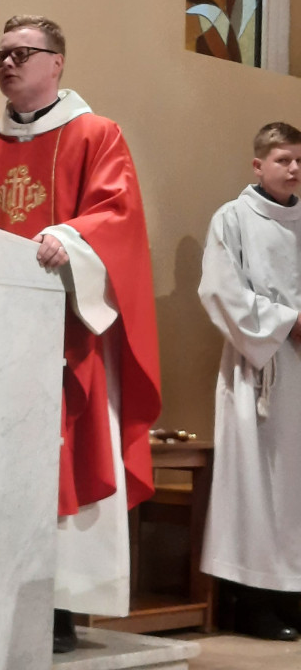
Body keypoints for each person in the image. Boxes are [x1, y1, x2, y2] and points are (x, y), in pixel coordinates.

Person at [0, 15, 161, 652]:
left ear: (57, 63)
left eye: (22, 54)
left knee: (65, 459)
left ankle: (58, 604)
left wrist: (71, 238)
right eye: (1, 54)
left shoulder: (96, 134)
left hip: (67, 340)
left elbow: (118, 215)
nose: (7, 64)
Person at [199, 122, 301, 641]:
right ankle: (252, 603)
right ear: (258, 165)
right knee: (259, 485)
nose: (294, 169)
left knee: (295, 488)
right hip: (259, 370)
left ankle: (292, 597)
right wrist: (288, 323)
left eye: (300, 160)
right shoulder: (233, 218)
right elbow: (221, 291)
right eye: (283, 159)